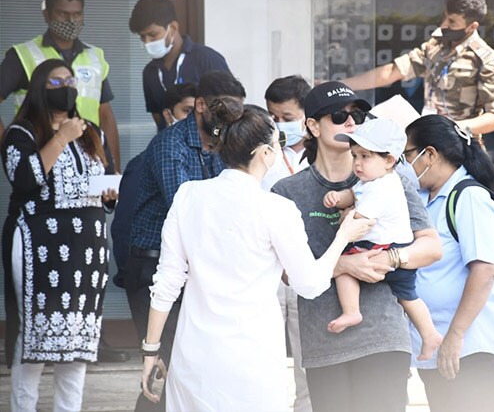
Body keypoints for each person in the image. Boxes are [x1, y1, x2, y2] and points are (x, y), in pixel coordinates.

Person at [139, 103, 374, 411]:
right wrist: (344, 235)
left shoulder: (188, 196)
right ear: (265, 153)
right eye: (278, 144)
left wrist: (150, 351)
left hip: (194, 357)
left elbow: (167, 281)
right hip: (253, 361)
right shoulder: (275, 208)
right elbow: (310, 284)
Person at [271, 81, 443, 412]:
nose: (351, 122)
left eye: (358, 115)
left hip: (384, 336)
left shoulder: (391, 178)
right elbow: (285, 274)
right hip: (324, 341)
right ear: (312, 126)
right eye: (338, 116)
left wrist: (390, 258)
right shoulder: (287, 191)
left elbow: (431, 248)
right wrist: (347, 265)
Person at [1, 59, 118, 411]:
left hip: (86, 253)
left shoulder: (90, 131)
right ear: (40, 88)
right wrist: (61, 137)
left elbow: (107, 176)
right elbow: (23, 179)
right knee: (35, 333)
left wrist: (110, 193)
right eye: (56, 81)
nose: (66, 86)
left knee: (77, 341)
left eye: (70, 80)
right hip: (40, 249)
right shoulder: (22, 133)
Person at [126, 71, 245, 412]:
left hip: (197, 267)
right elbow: (186, 210)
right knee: (168, 368)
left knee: (192, 367)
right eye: (223, 112)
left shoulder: (225, 143)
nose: (230, 120)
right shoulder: (170, 143)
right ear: (201, 105)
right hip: (154, 266)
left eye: (236, 113)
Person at [403, 114, 494, 412]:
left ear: (429, 154)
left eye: (407, 154)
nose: (405, 164)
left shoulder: (469, 198)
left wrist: (455, 336)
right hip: (442, 346)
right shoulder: (425, 198)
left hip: (474, 346)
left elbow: (484, 271)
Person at [322, 117, 443, 360]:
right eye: (355, 155)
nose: (357, 163)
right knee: (408, 296)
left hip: (381, 248)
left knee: (345, 268)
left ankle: (352, 311)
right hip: (393, 248)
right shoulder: (371, 181)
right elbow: (353, 194)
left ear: (389, 160)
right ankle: (430, 334)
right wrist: (339, 198)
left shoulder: (383, 187)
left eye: (365, 156)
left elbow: (360, 217)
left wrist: (347, 214)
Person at [342, 0, 494, 136]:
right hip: (428, 141)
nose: (444, 25)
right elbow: (392, 72)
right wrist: (340, 85)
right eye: (444, 17)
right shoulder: (436, 45)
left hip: (460, 148)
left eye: (452, 21)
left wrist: (453, 128)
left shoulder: (484, 59)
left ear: (472, 27)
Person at [0, 0, 121, 171]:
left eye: (77, 14)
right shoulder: (22, 55)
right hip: (40, 154)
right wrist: (8, 147)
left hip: (87, 155)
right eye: (63, 14)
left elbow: (105, 115)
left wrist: (112, 168)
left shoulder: (95, 56)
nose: (71, 21)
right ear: (47, 15)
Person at [110, 83, 196, 288]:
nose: (194, 120)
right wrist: (127, 272)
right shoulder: (145, 162)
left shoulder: (203, 158)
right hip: (151, 273)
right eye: (187, 111)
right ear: (168, 114)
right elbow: (124, 225)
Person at [262, 74, 313, 412]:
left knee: (308, 363)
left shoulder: (327, 154)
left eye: (288, 118)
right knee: (263, 360)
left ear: (308, 117)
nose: (280, 125)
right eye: (274, 118)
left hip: (307, 270)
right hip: (266, 271)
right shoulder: (262, 154)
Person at [129, 0, 231, 131]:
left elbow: (230, 110)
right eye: (142, 37)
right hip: (169, 147)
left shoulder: (208, 59)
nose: (147, 42)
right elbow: (158, 117)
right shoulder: (150, 72)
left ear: (173, 28)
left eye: (153, 35)